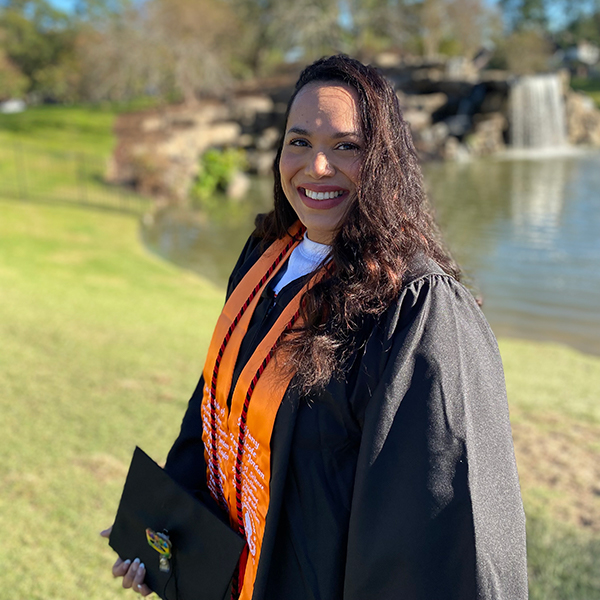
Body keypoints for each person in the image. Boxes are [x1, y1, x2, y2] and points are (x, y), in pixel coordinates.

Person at [103, 54, 528, 600]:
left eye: (345, 146)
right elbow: (217, 409)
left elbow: (440, 530)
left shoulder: (413, 308)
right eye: (299, 142)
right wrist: (166, 544)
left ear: (384, 160)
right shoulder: (266, 258)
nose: (317, 167)